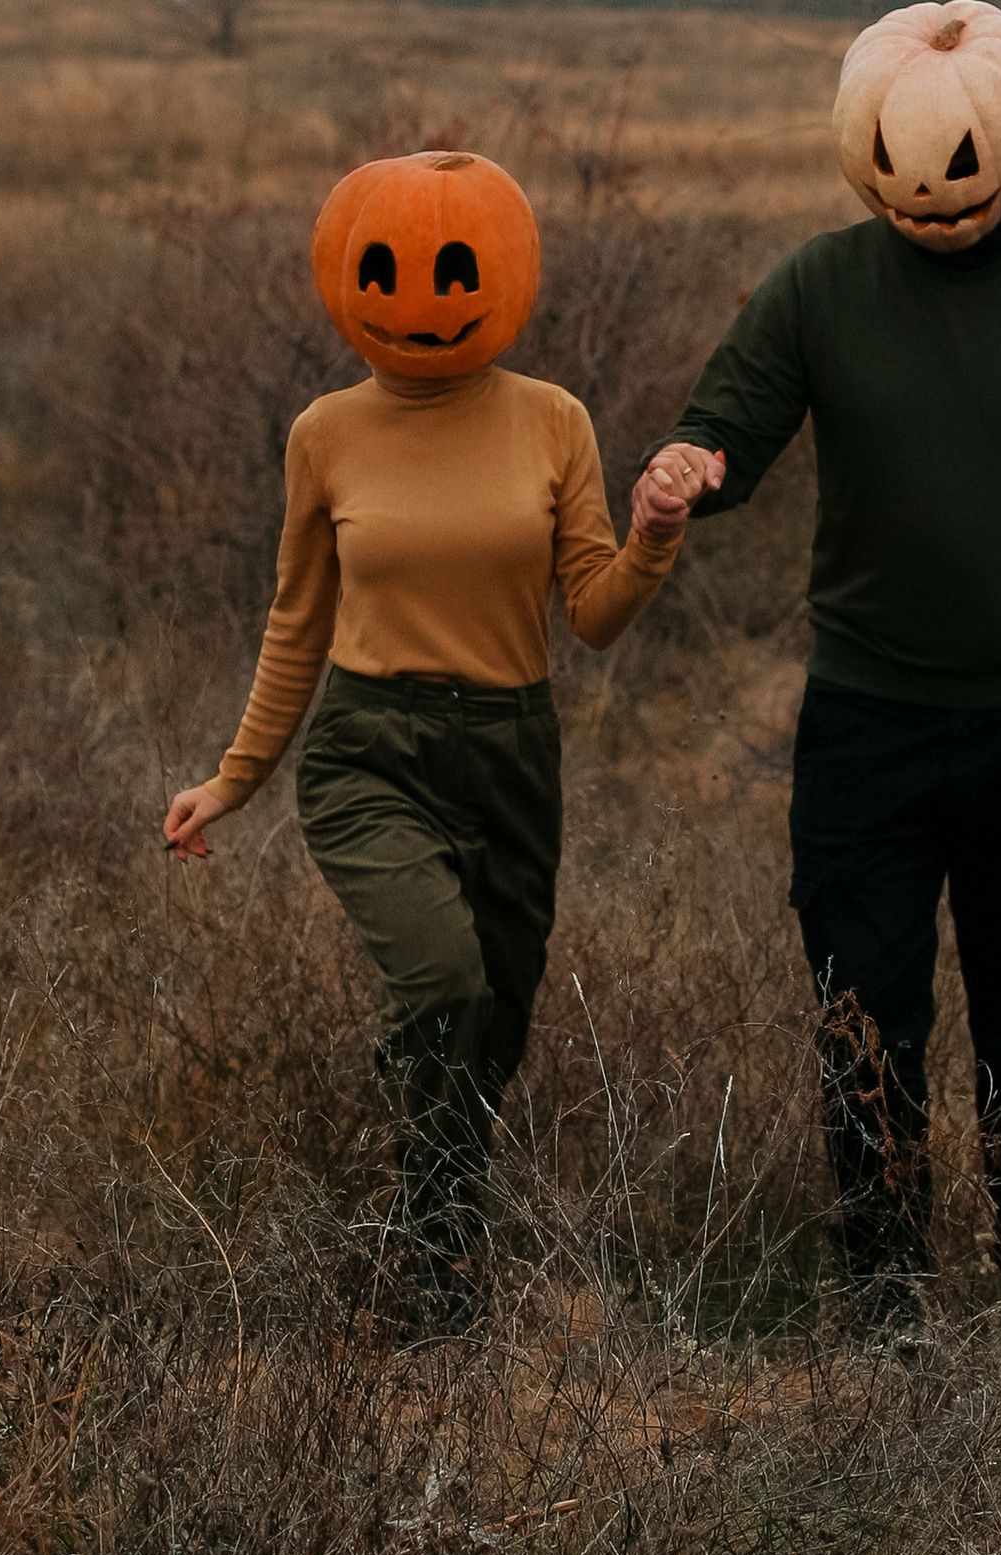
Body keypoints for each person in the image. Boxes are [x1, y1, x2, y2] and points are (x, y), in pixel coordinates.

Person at [639, 0, 1001, 1317]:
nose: (932, 191)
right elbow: (728, 426)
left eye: (957, 164)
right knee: (864, 1027)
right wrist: (684, 474)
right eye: (902, 160)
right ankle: (885, 1314)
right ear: (862, 144)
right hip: (866, 728)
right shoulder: (819, 288)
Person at [162, 148, 696, 1318]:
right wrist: (237, 775)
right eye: (390, 271)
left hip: (510, 747)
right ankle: (429, 1253)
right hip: (371, 747)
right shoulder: (325, 434)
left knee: (496, 1013)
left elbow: (594, 618)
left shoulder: (554, 423)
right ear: (345, 278)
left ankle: (439, 1228)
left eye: (457, 268)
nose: (423, 297)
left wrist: (653, 534)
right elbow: (297, 613)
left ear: (502, 275)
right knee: (442, 979)